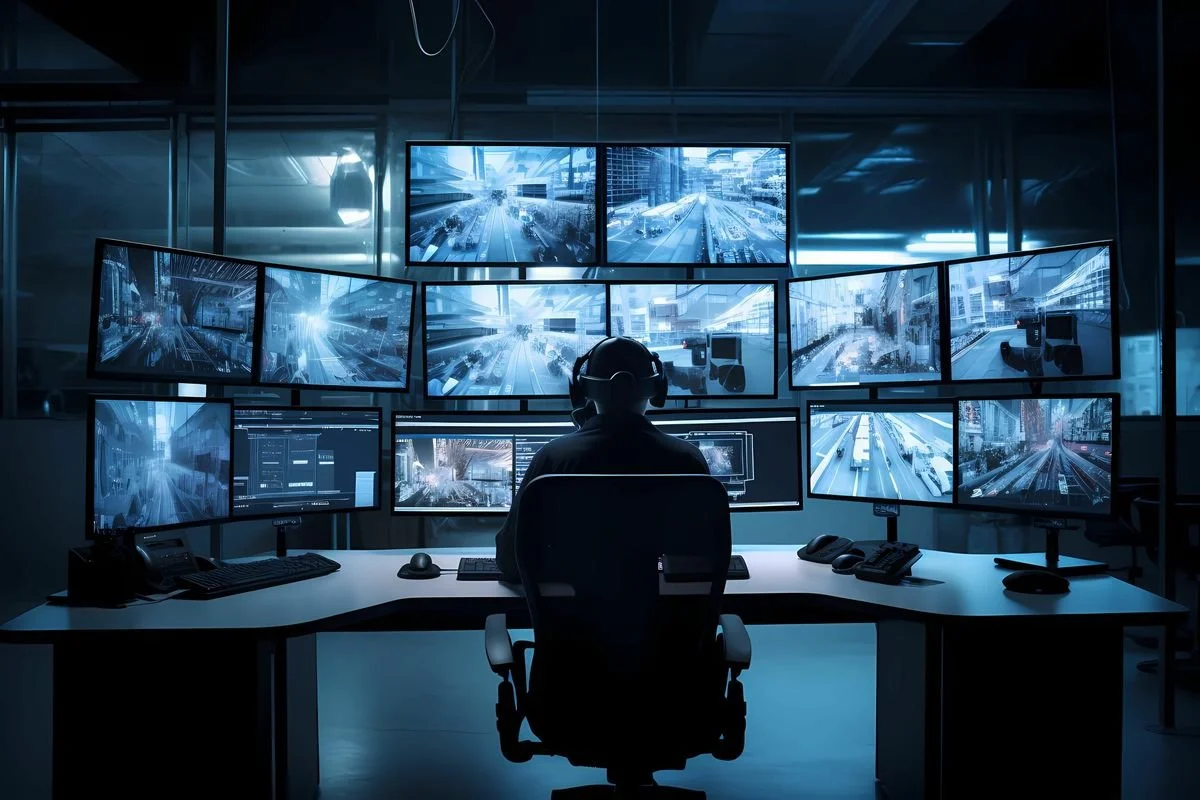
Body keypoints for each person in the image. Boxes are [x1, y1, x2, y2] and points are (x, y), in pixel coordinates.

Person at [495, 336, 710, 582]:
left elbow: (509, 561)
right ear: (656, 388)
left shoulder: (552, 460)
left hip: (573, 619)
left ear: (581, 389)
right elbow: (702, 561)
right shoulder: (688, 461)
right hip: (665, 619)